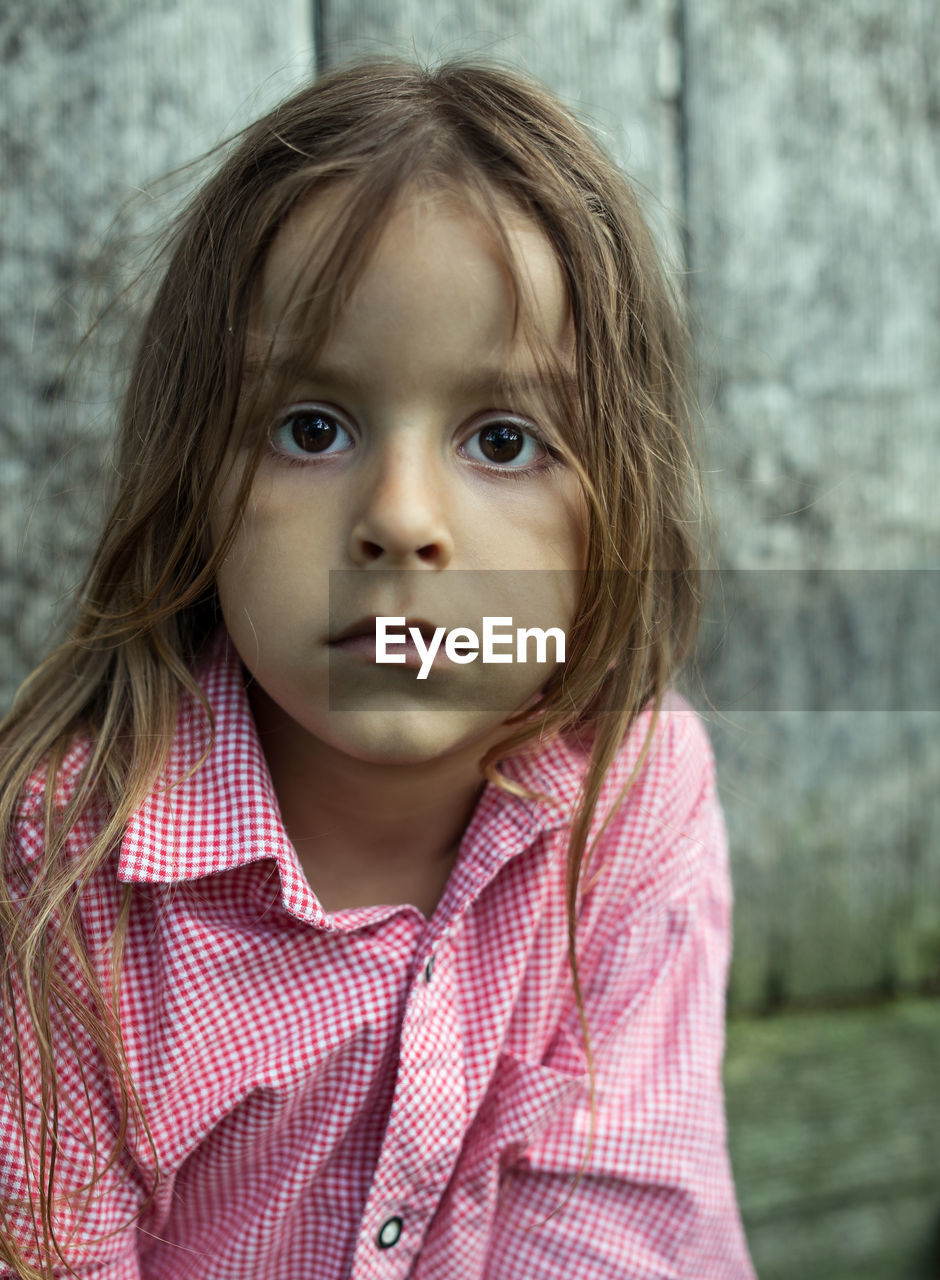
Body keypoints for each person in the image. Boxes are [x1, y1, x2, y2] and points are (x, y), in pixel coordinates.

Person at [0, 58, 755, 1279]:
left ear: (617, 500)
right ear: (196, 478)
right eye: (313, 427)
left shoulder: (632, 792)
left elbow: (613, 1233)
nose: (401, 519)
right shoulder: (66, 866)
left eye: (502, 439)